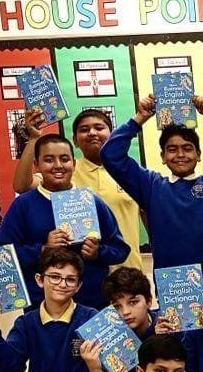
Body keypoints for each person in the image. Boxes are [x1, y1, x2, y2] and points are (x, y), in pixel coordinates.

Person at [100, 93, 203, 273]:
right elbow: (110, 154)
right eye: (172, 149)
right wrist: (139, 119)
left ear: (199, 154)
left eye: (187, 148)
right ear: (163, 157)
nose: (180, 155)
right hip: (172, 286)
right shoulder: (151, 186)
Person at [0, 134, 130, 309]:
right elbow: (0, 256)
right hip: (41, 309)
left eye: (64, 159)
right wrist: (42, 249)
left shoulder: (91, 201)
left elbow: (121, 249)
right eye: (49, 160)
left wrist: (98, 252)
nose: (58, 166)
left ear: (73, 163)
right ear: (37, 165)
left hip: (92, 306)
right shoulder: (23, 205)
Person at [12, 107, 144, 271]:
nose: (92, 133)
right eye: (84, 129)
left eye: (99, 127)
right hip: (85, 275)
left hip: (128, 270)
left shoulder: (130, 171)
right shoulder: (65, 172)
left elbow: (149, 217)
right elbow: (22, 185)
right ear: (75, 141)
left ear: (112, 134)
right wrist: (33, 138)